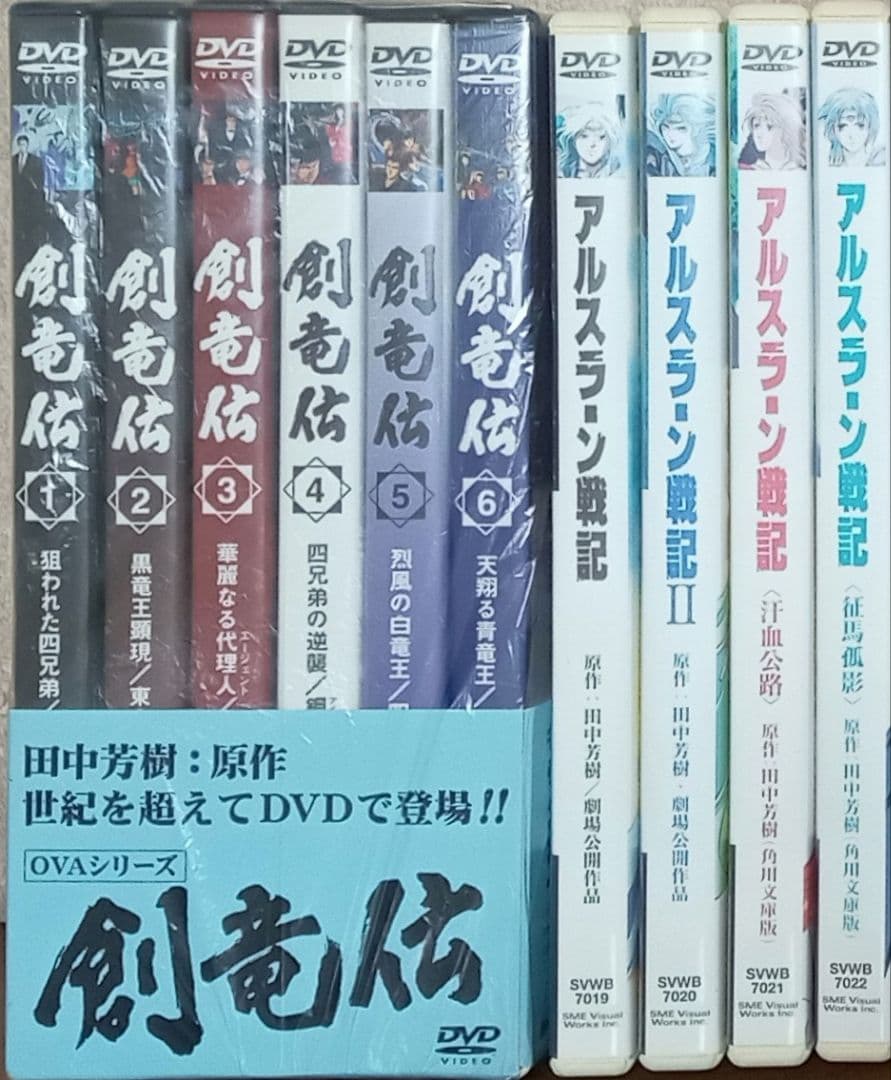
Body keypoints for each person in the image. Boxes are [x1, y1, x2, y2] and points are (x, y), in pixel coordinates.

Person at [647, 93, 716, 177]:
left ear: (696, 129)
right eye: (665, 127)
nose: (670, 134)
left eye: (680, 128)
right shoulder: (657, 156)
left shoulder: (711, 157)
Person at [818, 87, 885, 166]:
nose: (851, 135)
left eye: (860, 126)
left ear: (870, 126)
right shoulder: (825, 161)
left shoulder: (881, 159)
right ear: (833, 129)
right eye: (842, 126)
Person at [740, 91, 806, 171]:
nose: (759, 133)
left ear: (785, 130)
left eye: (769, 126)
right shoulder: (749, 170)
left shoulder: (797, 169)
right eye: (756, 125)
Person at [555, 101, 623, 178]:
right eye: (584, 136)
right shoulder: (561, 172)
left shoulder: (618, 174)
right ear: (573, 140)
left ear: (611, 141)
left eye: (601, 137)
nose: (592, 144)